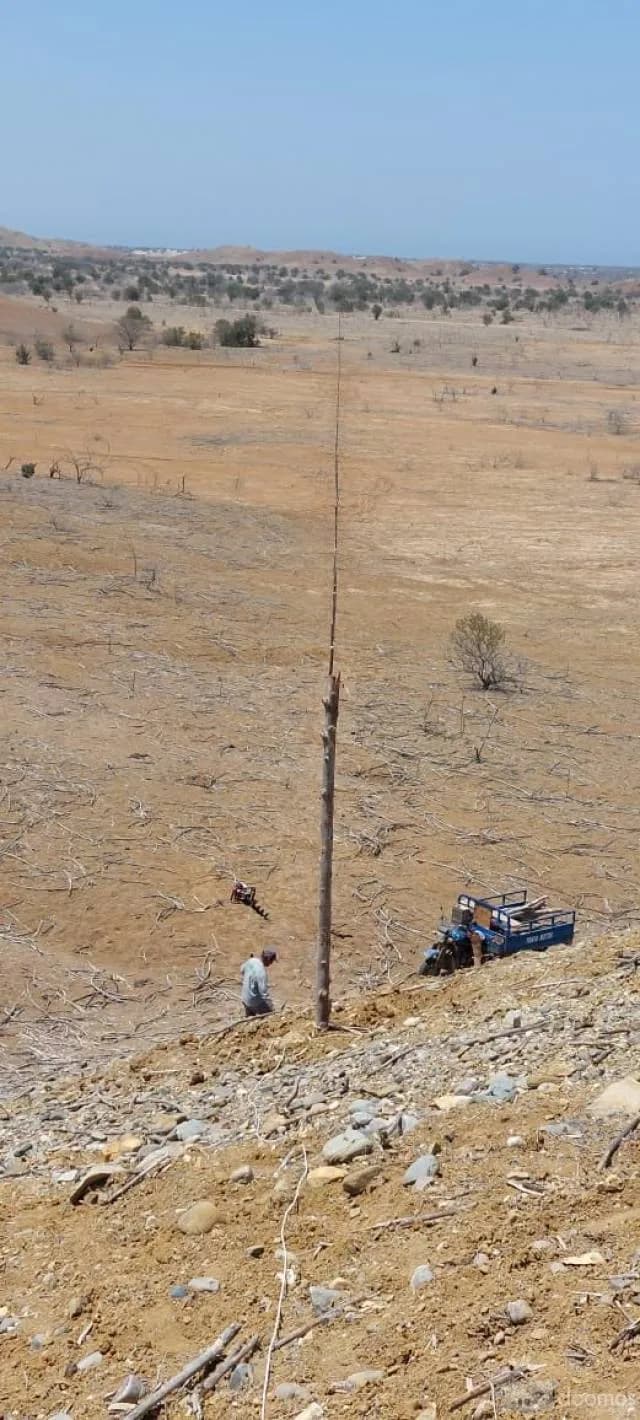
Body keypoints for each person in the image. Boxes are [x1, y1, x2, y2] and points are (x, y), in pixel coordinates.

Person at [240, 948, 277, 1017]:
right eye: (272, 961)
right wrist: (272, 1008)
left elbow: (242, 970)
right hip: (254, 1002)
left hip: (244, 998)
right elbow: (264, 994)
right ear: (269, 959)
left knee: (250, 1019)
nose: (271, 963)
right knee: (271, 1016)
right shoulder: (262, 973)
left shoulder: (252, 960)